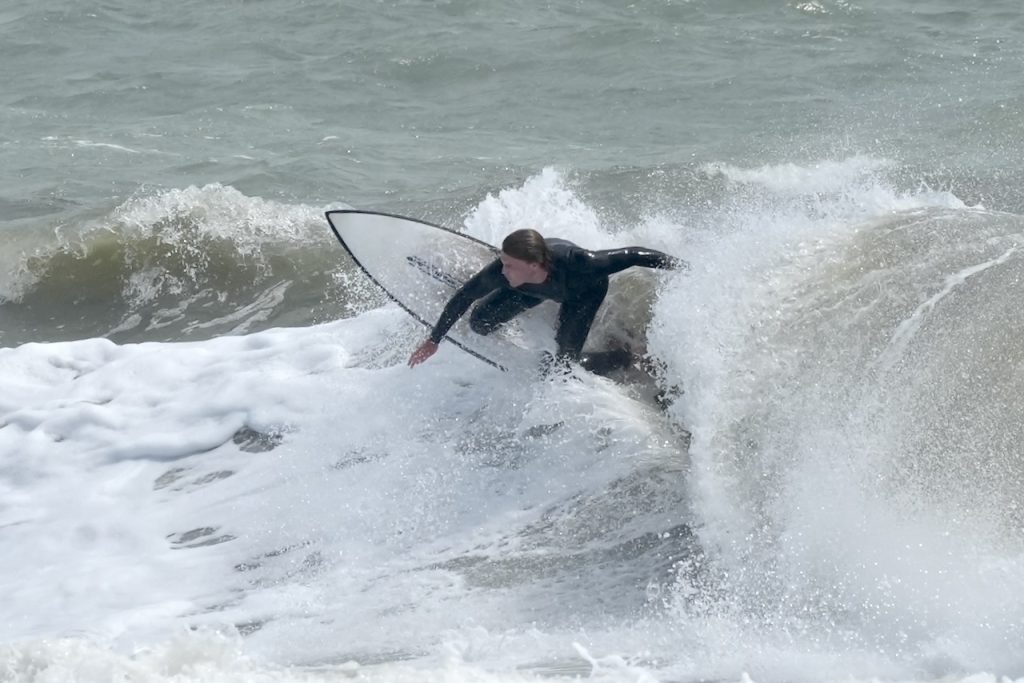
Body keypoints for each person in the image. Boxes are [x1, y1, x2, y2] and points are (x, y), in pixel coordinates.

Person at [408, 228, 683, 376]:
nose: (502, 269)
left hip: (581, 294)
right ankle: (529, 307)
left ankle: (622, 357)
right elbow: (465, 295)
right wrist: (434, 340)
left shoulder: (582, 263)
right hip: (531, 290)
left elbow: (634, 255)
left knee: (564, 366)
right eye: (502, 261)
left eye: (509, 264)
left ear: (533, 265)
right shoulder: (504, 273)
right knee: (479, 323)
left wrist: (687, 269)